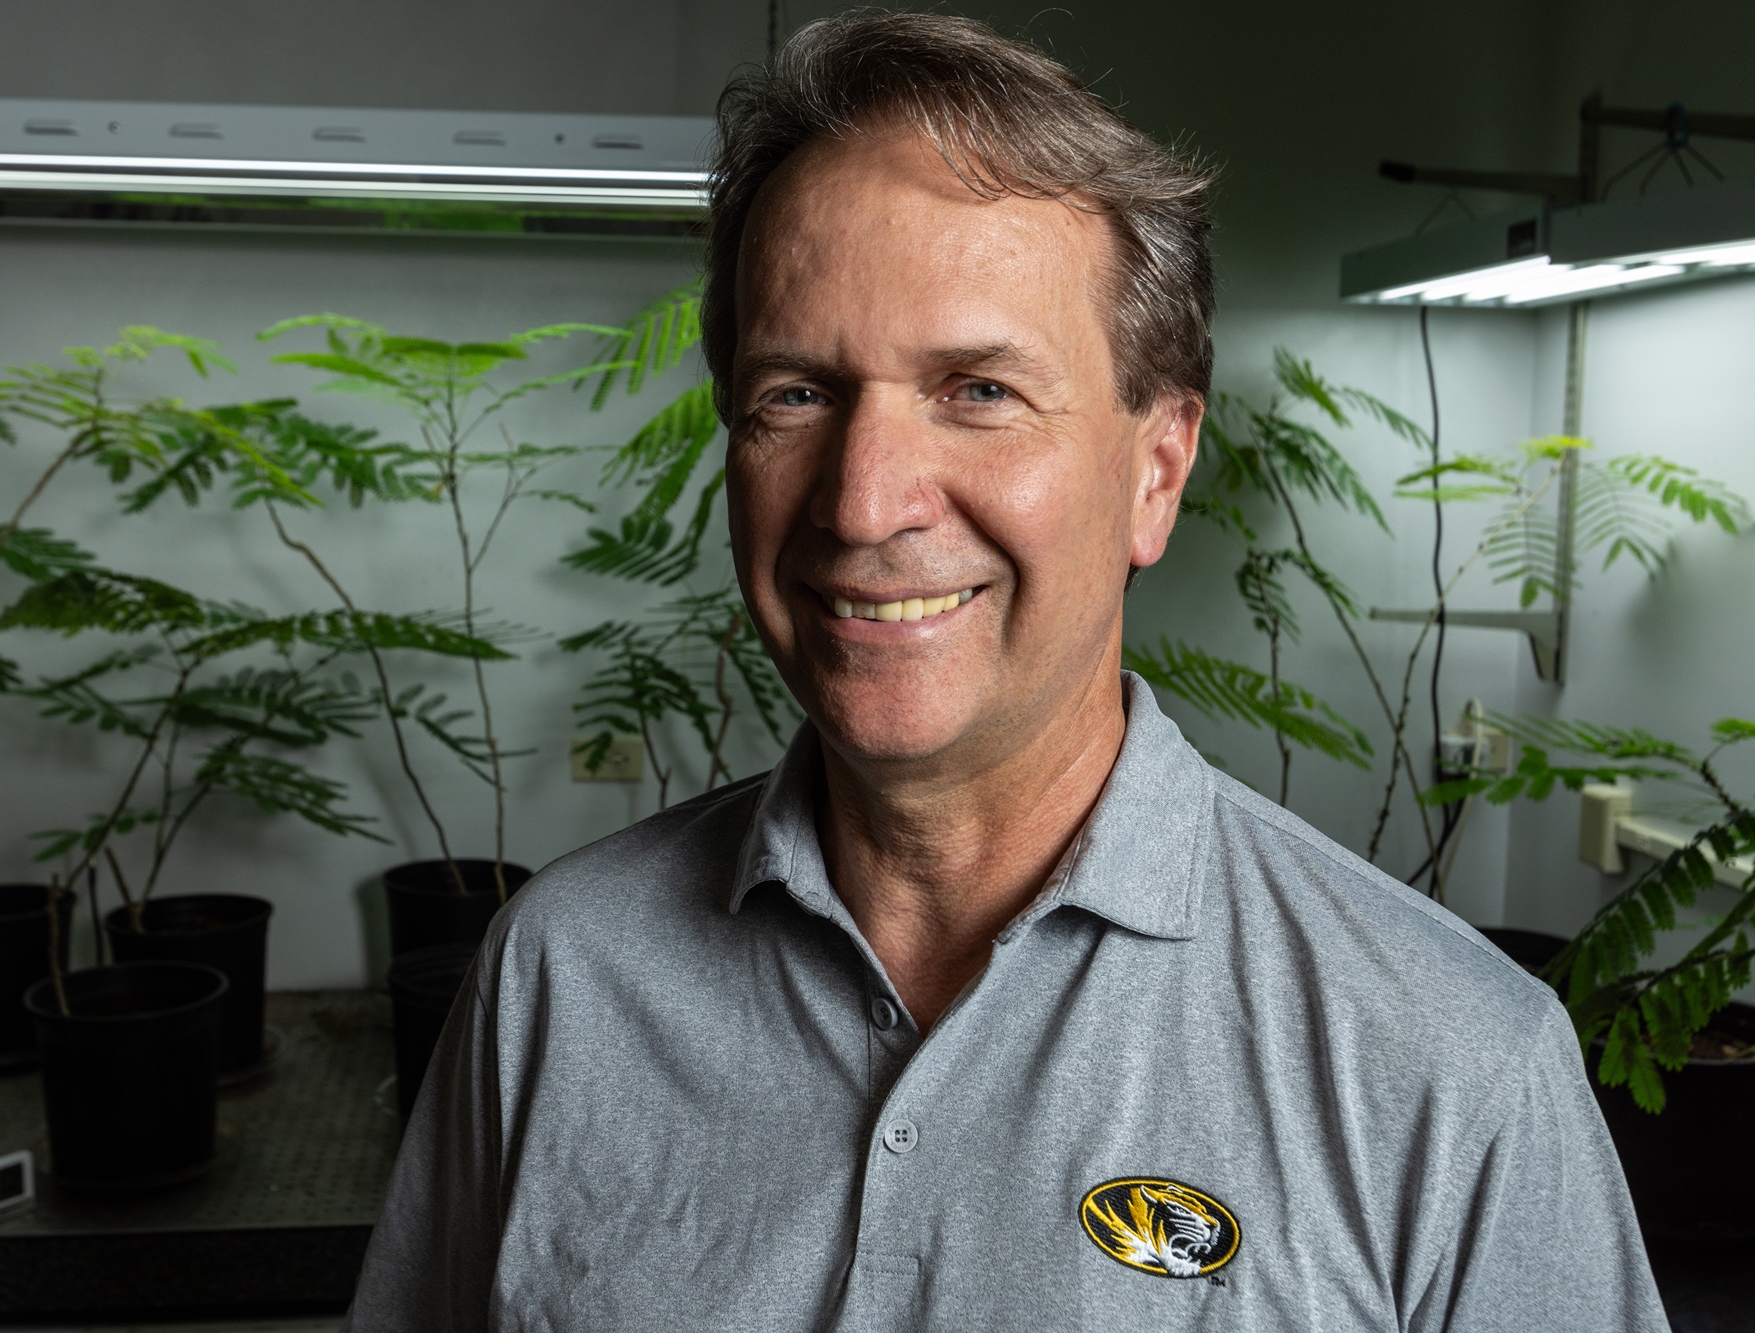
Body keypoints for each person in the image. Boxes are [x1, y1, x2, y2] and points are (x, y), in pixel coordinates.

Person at [345, 13, 1665, 1331]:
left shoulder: (1451, 1070)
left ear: (1155, 470)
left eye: (976, 389)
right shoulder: (560, 979)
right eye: (795, 393)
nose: (864, 505)